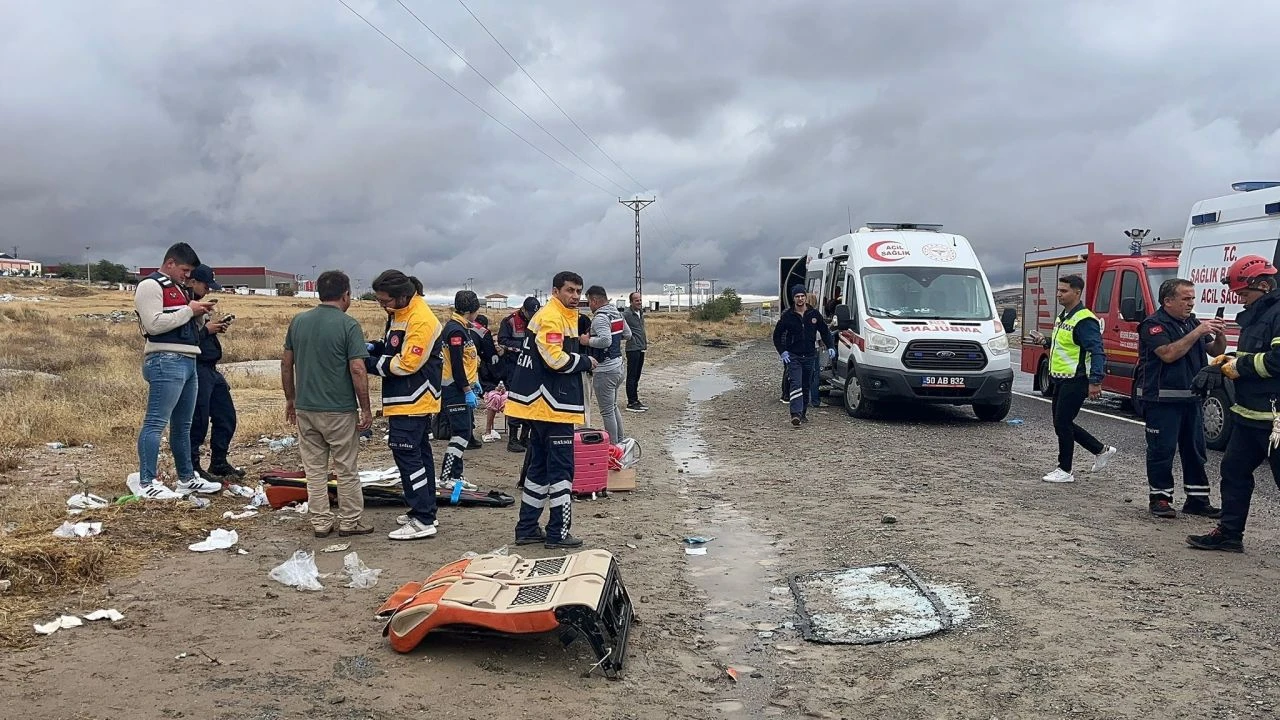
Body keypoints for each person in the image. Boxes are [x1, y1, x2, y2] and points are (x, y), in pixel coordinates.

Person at [1188, 256, 1280, 553]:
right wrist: (1225, 361)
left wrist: (1236, 367)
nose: (1240, 299)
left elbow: (1277, 360)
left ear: (1264, 286)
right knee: (1233, 471)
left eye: (1243, 293)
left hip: (1275, 419)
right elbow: (1254, 356)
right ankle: (1229, 534)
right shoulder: (1258, 314)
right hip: (1249, 414)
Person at [507, 271, 596, 549]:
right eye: (570, 290)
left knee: (539, 470)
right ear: (555, 291)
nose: (575, 296)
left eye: (578, 291)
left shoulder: (559, 315)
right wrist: (585, 361)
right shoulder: (552, 317)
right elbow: (554, 359)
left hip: (542, 406)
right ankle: (558, 532)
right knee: (561, 472)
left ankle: (527, 528)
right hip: (552, 406)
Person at [280, 271, 373, 538]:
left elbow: (286, 364)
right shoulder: (349, 325)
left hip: (306, 409)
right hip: (339, 410)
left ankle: (321, 522)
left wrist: (290, 398)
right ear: (346, 295)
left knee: (314, 470)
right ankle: (350, 521)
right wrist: (365, 407)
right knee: (346, 468)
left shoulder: (298, 322)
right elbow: (357, 369)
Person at [129, 242, 222, 500]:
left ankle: (187, 478)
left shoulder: (179, 289)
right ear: (170, 263)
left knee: (183, 425)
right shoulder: (151, 286)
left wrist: (198, 314)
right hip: (165, 358)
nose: (187, 276)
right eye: (184, 270)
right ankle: (147, 481)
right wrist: (188, 310)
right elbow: (154, 324)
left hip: (189, 358)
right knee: (156, 422)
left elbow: (182, 322)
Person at [1137, 278, 1226, 518]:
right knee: (1162, 450)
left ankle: (1198, 500)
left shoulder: (1192, 323)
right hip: (1162, 400)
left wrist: (1219, 334)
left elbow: (1216, 351)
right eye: (1185, 298)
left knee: (1195, 451)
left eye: (1192, 298)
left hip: (1192, 399)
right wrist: (1198, 332)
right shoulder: (1153, 325)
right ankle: (1160, 498)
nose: (1191, 303)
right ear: (1168, 301)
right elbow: (1168, 354)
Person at [367, 270, 445, 541]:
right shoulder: (399, 313)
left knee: (407, 455)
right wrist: (374, 347)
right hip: (405, 397)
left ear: (402, 296)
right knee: (419, 455)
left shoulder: (421, 319)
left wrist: (367, 363)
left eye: (385, 300)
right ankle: (425, 509)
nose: (382, 305)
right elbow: (394, 347)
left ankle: (423, 518)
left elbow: (407, 363)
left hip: (413, 398)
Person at [1029, 274, 1117, 483]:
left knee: (1062, 423)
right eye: (1058, 290)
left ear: (1077, 293)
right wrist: (1045, 341)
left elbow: (1097, 351)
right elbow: (1067, 344)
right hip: (1061, 378)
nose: (1059, 294)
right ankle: (1100, 450)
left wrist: (1095, 381)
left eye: (1064, 291)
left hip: (1076, 379)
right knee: (1061, 423)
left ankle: (1065, 469)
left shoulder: (1085, 320)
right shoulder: (1064, 316)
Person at [186, 264, 243, 480]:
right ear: (193, 282)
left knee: (226, 415)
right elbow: (183, 338)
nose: (208, 290)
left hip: (211, 369)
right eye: (206, 286)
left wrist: (212, 329)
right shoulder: (183, 306)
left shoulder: (198, 307)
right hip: (196, 367)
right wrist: (206, 331)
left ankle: (219, 462)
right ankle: (192, 467)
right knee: (198, 420)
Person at [772, 285, 833, 426]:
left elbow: (824, 331)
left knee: (806, 385)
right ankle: (795, 414)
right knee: (796, 384)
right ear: (793, 299)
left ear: (805, 297)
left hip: (810, 356)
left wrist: (831, 346)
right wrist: (782, 351)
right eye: (797, 296)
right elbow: (777, 336)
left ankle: (803, 413)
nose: (800, 299)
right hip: (793, 356)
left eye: (802, 296)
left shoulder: (814, 315)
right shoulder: (788, 316)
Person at [440, 290, 483, 492]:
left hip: (462, 387)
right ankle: (447, 475)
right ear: (471, 310)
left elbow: (467, 361)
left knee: (463, 432)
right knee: (461, 434)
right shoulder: (455, 331)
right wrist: (466, 389)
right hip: (455, 389)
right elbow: (457, 364)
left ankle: (456, 475)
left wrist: (474, 382)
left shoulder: (461, 328)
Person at [582, 285, 631, 443]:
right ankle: (620, 442)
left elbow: (605, 341)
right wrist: (614, 341)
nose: (589, 305)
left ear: (594, 300)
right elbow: (627, 334)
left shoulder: (600, 318)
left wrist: (587, 341)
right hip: (618, 365)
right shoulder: (617, 313)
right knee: (613, 407)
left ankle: (613, 446)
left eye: (589, 301)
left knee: (607, 411)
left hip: (605, 370)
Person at [498, 297, 540, 451]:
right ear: (523, 310)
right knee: (515, 403)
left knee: (531, 402)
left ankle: (524, 437)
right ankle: (513, 439)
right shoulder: (509, 321)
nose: (532, 317)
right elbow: (502, 341)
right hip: (514, 368)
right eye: (530, 314)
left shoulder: (539, 320)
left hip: (532, 368)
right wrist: (524, 346)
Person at [622, 292, 649, 412]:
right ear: (631, 302)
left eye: (640, 300)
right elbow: (619, 326)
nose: (639, 302)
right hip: (632, 348)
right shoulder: (627, 314)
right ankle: (631, 402)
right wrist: (626, 337)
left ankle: (636, 400)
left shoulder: (640, 313)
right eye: (636, 300)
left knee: (637, 376)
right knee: (632, 376)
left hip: (641, 347)